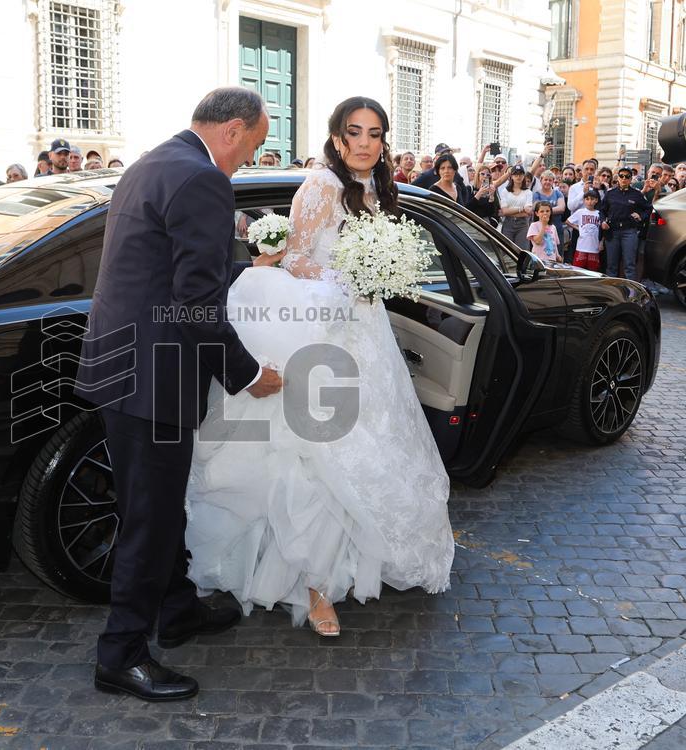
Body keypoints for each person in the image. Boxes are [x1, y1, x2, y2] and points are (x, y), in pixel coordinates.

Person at [187, 95, 454, 641]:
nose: (363, 142)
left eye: (374, 133)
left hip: (368, 335)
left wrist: (379, 276)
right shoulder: (321, 186)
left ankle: (355, 564)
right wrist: (350, 277)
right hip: (325, 334)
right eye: (353, 132)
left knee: (374, 448)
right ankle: (315, 589)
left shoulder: (381, 190)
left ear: (383, 142)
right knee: (320, 459)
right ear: (336, 138)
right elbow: (298, 257)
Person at [74, 87, 281, 703]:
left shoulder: (153, 162)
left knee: (156, 504)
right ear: (234, 131)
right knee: (150, 517)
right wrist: (248, 374)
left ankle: (179, 608)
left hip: (124, 366)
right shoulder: (203, 180)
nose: (249, 159)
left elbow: (170, 264)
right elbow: (195, 303)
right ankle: (121, 654)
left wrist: (247, 268)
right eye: (255, 146)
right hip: (154, 378)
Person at [599, 167, 651, 279]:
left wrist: (640, 216)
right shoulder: (610, 193)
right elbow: (602, 210)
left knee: (630, 265)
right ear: (618, 177)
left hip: (629, 232)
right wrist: (603, 221)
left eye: (627, 176)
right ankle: (612, 293)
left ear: (631, 179)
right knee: (611, 266)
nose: (624, 178)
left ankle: (631, 294)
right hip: (612, 232)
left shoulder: (636, 194)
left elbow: (648, 208)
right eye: (621, 176)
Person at [566, 189, 603, 271]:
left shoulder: (599, 213)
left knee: (593, 272)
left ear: (596, 200)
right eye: (587, 199)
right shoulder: (580, 212)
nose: (589, 202)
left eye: (592, 199)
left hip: (594, 248)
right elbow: (568, 221)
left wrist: (602, 242)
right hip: (581, 247)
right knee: (578, 271)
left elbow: (603, 230)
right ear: (584, 200)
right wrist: (578, 228)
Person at [531, 170, 566, 253]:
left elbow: (561, 208)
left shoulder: (558, 193)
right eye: (545, 180)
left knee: (557, 250)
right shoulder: (536, 194)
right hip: (540, 227)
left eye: (550, 180)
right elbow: (536, 208)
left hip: (556, 226)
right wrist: (552, 210)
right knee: (541, 250)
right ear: (541, 180)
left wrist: (544, 211)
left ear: (553, 181)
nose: (548, 182)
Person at [499, 165, 533, 249]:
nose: (518, 176)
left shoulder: (528, 192)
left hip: (522, 224)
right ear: (511, 176)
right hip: (507, 223)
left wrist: (511, 211)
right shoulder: (505, 191)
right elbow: (504, 211)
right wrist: (521, 209)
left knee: (522, 251)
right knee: (506, 250)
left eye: (520, 174)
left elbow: (527, 212)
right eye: (515, 174)